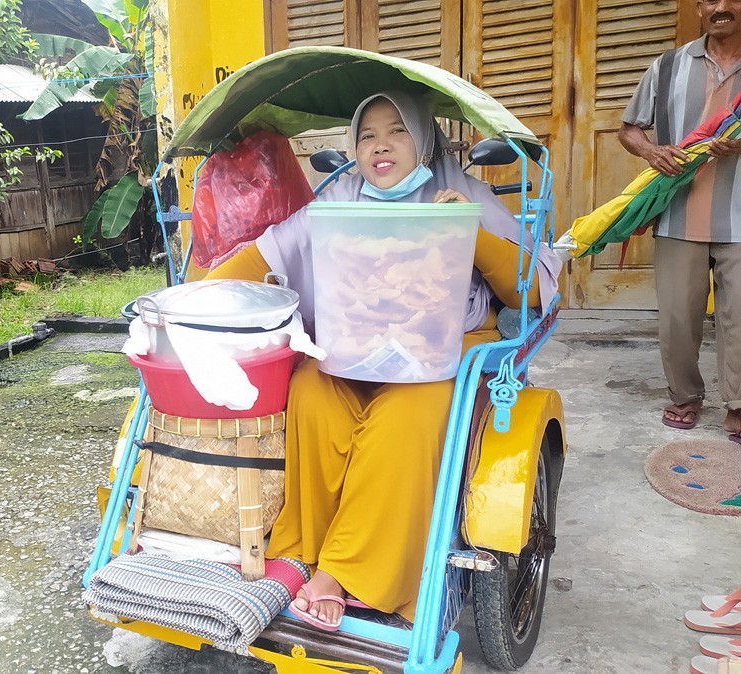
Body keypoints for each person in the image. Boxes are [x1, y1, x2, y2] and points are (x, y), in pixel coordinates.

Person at [204, 90, 561, 628]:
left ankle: (351, 574)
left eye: (397, 130)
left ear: (422, 138)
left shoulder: (462, 193)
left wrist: (469, 231)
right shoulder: (339, 200)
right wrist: (194, 300)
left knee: (406, 417)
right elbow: (267, 255)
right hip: (356, 350)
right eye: (367, 135)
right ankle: (306, 549)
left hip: (438, 355)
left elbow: (533, 288)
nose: (381, 145)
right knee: (309, 392)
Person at [618, 0, 741, 437]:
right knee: (677, 317)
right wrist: (652, 152)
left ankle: (738, 404)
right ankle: (685, 396)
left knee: (739, 315)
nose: (721, 7)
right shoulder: (667, 66)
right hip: (677, 213)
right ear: (698, 9)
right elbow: (630, 128)